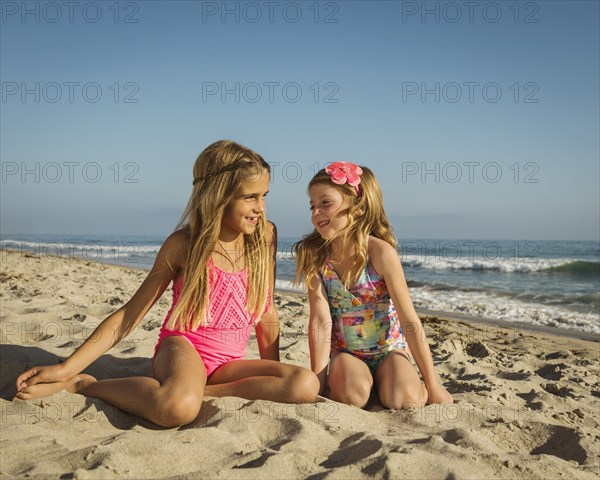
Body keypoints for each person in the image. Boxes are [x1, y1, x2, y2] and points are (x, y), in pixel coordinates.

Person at [14, 140, 319, 427]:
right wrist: (68, 368)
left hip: (228, 365)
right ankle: (86, 386)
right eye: (250, 197)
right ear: (218, 195)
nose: (260, 207)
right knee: (177, 409)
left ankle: (198, 391)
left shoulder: (265, 235)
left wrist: (275, 378)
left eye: (264, 196)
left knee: (304, 384)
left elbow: (267, 313)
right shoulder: (183, 245)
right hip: (183, 349)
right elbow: (129, 316)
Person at [293, 162, 453, 410]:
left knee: (405, 400)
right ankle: (369, 386)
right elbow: (319, 321)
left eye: (325, 203)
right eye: (312, 206)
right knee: (351, 397)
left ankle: (394, 382)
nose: (316, 213)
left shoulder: (380, 252)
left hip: (389, 351)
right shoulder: (315, 256)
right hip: (347, 354)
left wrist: (433, 385)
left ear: (358, 207)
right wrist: (319, 382)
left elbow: (409, 319)